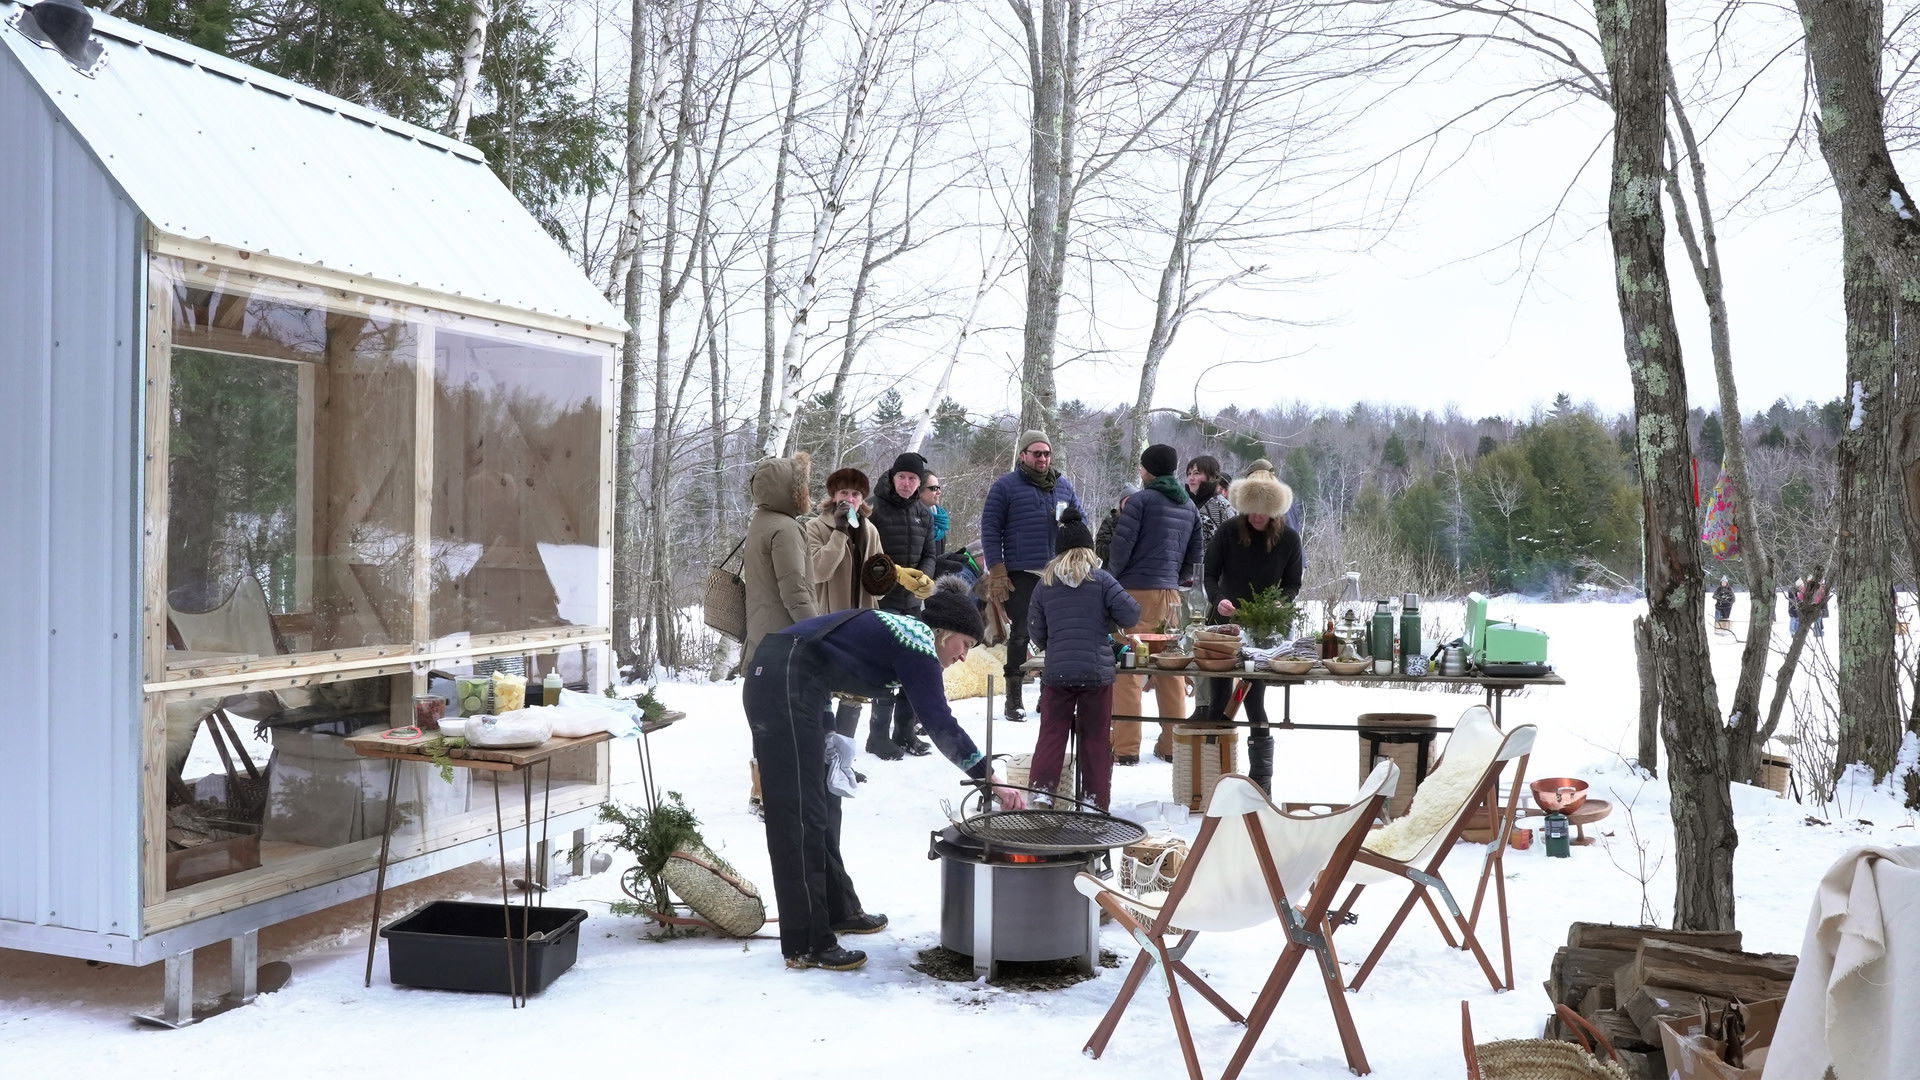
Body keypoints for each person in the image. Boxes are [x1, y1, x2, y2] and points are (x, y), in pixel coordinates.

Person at [743, 577, 1025, 972]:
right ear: (944, 633)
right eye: (965, 644)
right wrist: (987, 776)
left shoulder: (908, 636)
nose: (964, 657)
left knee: (826, 802)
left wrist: (829, 733)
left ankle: (838, 909)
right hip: (779, 681)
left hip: (800, 680)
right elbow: (940, 722)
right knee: (799, 813)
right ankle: (806, 941)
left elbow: (822, 659)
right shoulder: (917, 642)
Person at [1027, 508, 1140, 811]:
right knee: (1095, 739)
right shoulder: (1102, 580)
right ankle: (1093, 801)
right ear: (1089, 549)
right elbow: (1132, 613)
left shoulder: (1045, 584)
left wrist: (1054, 645)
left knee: (1051, 735)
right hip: (1096, 673)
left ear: (1059, 552)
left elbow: (1035, 630)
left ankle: (1041, 793)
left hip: (1057, 673)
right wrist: (1109, 621)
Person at [1106, 443, 1204, 765]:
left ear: (1146, 470)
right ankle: (1172, 745)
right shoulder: (1189, 505)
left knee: (1127, 670)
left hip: (1133, 593)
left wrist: (1112, 583)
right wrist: (1174, 578)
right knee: (1170, 671)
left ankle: (1126, 747)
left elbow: (1120, 549)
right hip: (1170, 596)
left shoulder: (1140, 501)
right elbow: (1195, 556)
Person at [981, 431, 1084, 721]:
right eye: (1036, 453)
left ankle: (1047, 695)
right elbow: (990, 529)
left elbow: (1081, 520)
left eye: (1046, 453)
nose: (1042, 458)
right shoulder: (1005, 486)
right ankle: (1013, 696)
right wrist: (997, 568)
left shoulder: (1063, 486)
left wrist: (1077, 552)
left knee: (1054, 634)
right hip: (1021, 571)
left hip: (1057, 571)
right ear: (1023, 455)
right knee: (1022, 632)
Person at [742, 452, 820, 814]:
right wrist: (819, 631)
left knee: (768, 723)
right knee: (784, 724)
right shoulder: (785, 529)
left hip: (763, 639)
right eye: (801, 484)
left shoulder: (762, 520)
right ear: (790, 489)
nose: (806, 490)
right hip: (785, 644)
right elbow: (795, 591)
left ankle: (764, 792)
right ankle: (778, 798)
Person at [1202, 465, 1302, 736]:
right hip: (1223, 625)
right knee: (1219, 701)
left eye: (1264, 509)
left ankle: (1260, 774)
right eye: (1251, 508)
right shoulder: (1227, 532)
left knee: (1253, 701)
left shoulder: (1289, 539)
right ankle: (1215, 764)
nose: (1257, 516)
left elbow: (1293, 584)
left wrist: (1280, 604)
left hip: (1263, 629)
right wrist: (1218, 599)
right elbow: (1210, 574)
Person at [803, 467, 892, 759]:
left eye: (855, 494)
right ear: (833, 495)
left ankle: (843, 761)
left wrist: (886, 576)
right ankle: (822, 758)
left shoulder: (870, 529)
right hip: (829, 622)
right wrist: (840, 533)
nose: (849, 499)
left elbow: (877, 586)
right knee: (827, 690)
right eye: (844, 493)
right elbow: (818, 571)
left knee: (855, 692)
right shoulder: (816, 527)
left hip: (862, 622)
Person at [867, 451, 940, 756]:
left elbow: (930, 553)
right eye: (902, 477)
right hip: (883, 599)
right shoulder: (875, 508)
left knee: (916, 666)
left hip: (913, 603)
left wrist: (924, 577)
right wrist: (896, 575)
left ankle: (905, 732)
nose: (907, 483)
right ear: (892, 477)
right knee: (885, 668)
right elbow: (866, 555)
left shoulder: (924, 512)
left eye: (913, 479)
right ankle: (878, 737)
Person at [1185, 455, 1235, 547]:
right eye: (1189, 474)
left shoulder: (1219, 506)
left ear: (1211, 476)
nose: (1191, 478)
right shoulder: (1190, 503)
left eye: (1196, 473)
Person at [920, 472, 950, 553]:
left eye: (939, 488)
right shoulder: (913, 520)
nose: (939, 492)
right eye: (934, 488)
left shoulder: (940, 520)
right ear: (920, 492)